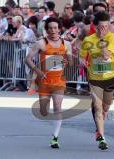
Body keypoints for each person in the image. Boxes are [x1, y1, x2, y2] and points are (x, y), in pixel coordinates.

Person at [25, 17, 72, 149]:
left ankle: (55, 137)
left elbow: (70, 62)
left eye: (55, 28)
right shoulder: (41, 43)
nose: (53, 30)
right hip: (44, 81)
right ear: (47, 29)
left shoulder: (66, 44)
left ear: (59, 29)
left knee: (57, 107)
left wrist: (68, 61)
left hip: (58, 80)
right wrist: (37, 71)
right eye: (50, 28)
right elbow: (27, 59)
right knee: (44, 111)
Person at [79, 11, 114, 150]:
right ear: (95, 26)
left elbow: (107, 55)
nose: (104, 29)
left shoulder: (113, 38)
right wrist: (82, 61)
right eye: (101, 27)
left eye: (106, 26)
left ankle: (99, 126)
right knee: (98, 106)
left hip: (110, 75)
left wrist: (102, 42)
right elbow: (82, 56)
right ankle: (101, 136)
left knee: (106, 106)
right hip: (94, 77)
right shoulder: (88, 40)